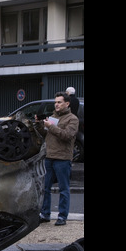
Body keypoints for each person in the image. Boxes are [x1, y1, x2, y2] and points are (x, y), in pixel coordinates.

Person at [37, 92, 79, 226]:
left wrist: (51, 127)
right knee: (45, 188)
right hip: (49, 157)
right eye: (55, 102)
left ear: (67, 104)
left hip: (62, 158)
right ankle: (45, 214)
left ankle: (62, 217)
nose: (56, 104)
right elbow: (45, 134)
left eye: (59, 102)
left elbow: (67, 135)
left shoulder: (72, 119)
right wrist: (40, 124)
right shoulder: (52, 117)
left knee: (63, 189)